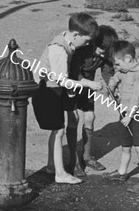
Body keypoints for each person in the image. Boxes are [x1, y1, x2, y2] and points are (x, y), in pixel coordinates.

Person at [31, 13, 102, 184]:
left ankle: (51, 166)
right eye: (86, 40)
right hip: (46, 90)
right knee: (58, 131)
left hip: (51, 89)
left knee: (57, 130)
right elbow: (61, 80)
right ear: (76, 35)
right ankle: (60, 174)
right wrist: (87, 84)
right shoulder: (59, 50)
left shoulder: (65, 40)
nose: (87, 44)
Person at [66, 25, 119, 177]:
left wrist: (113, 88)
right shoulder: (82, 51)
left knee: (90, 117)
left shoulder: (106, 53)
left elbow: (108, 71)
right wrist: (88, 83)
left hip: (88, 87)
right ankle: (73, 160)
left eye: (106, 52)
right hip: (72, 86)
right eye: (101, 51)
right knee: (73, 120)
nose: (103, 55)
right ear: (94, 43)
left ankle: (87, 157)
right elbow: (73, 73)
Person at [106, 40, 139, 193]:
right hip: (125, 112)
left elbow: (138, 97)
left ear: (128, 59)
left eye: (118, 63)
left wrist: (130, 115)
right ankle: (122, 172)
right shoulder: (123, 71)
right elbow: (114, 79)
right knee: (125, 146)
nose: (116, 67)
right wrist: (111, 88)